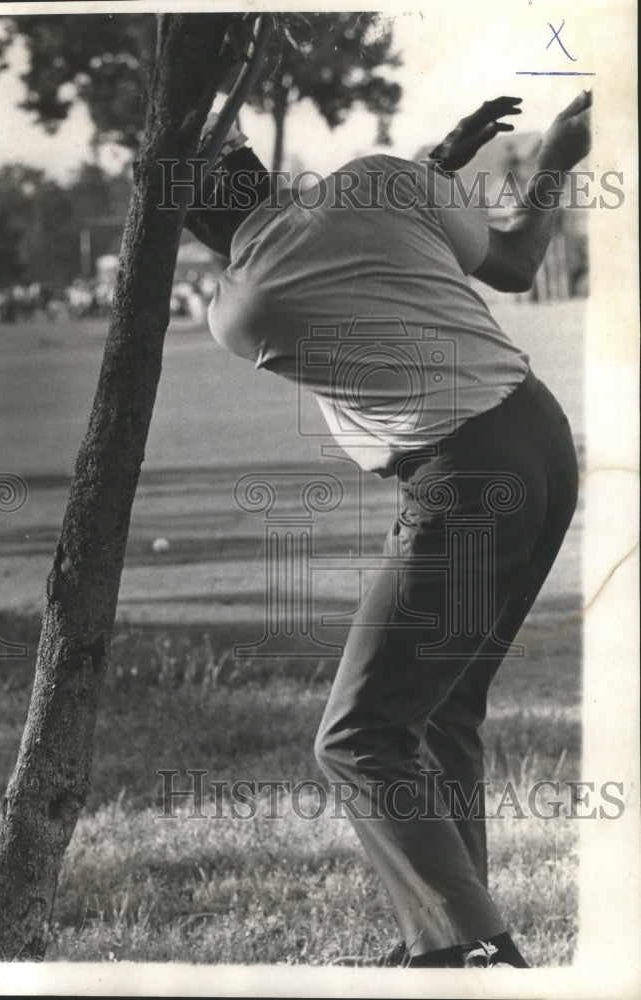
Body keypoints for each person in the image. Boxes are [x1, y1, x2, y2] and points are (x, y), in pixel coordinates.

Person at [182, 92, 591, 968]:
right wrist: (553, 152)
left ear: (189, 224)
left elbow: (325, 257)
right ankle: (451, 940)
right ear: (260, 167)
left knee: (358, 738)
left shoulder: (239, 312)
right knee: (439, 715)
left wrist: (426, 169)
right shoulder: (379, 180)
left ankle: (477, 952)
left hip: (464, 478)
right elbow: (513, 260)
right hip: (542, 441)